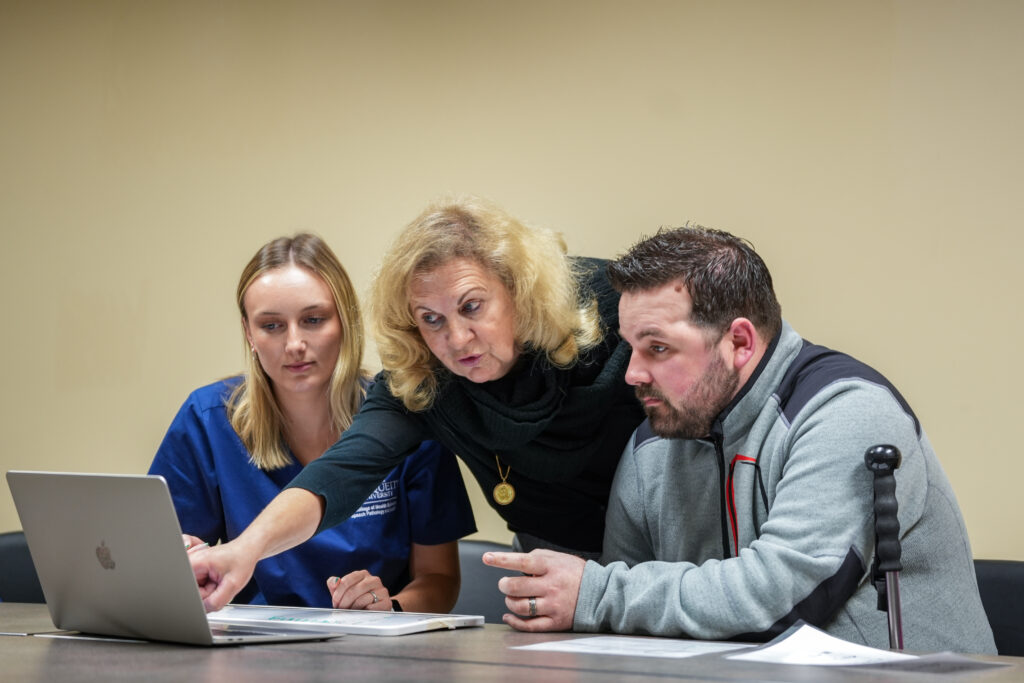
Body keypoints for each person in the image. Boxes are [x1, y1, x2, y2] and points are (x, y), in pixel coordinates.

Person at [484, 226, 997, 654]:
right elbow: (629, 621)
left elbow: (787, 598)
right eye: (630, 348)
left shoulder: (845, 411)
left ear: (740, 342)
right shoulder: (650, 445)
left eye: (658, 348)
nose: (632, 374)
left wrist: (592, 595)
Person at [188, 197, 646, 612]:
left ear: (517, 292)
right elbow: (341, 473)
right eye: (431, 319)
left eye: (472, 307)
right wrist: (242, 552)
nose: (457, 339)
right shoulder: (424, 384)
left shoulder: (609, 312)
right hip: (554, 554)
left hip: (661, 540)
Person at [150, 233, 475, 612]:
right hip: (250, 652)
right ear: (248, 333)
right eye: (271, 326)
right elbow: (158, 557)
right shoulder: (209, 420)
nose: (294, 344)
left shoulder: (405, 419)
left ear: (346, 321)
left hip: (371, 653)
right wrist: (183, 559)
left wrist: (390, 609)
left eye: (313, 320)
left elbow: (440, 579)